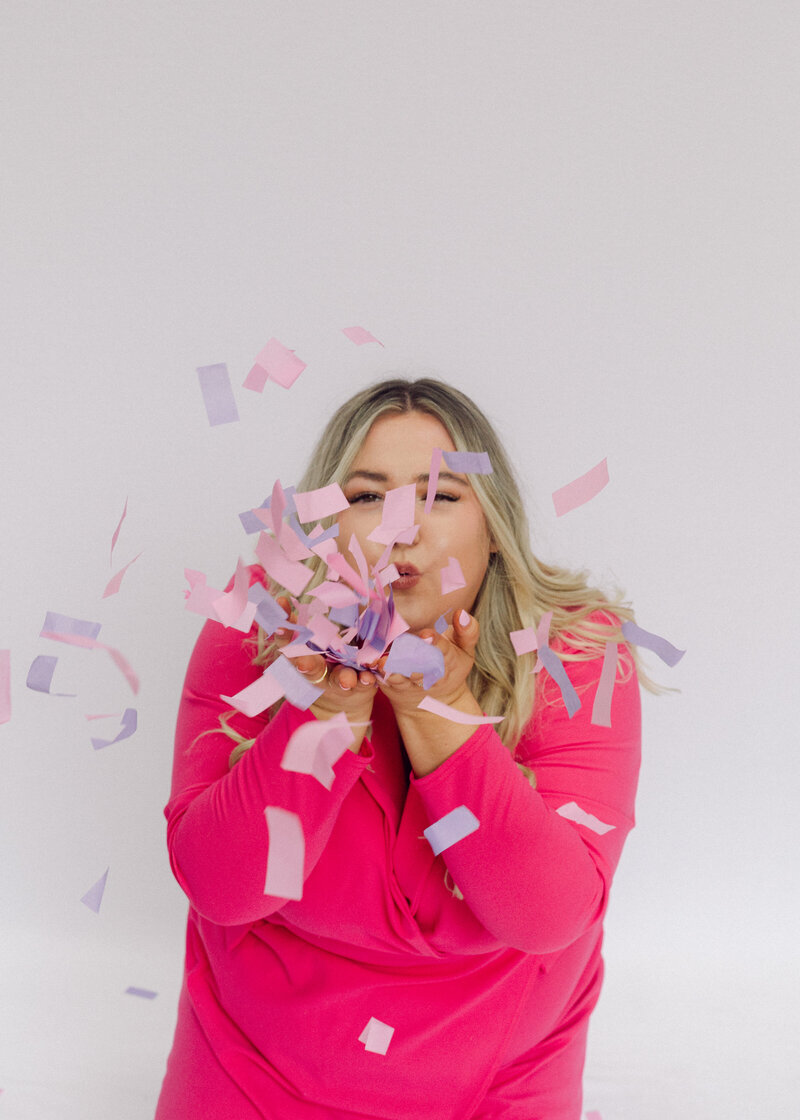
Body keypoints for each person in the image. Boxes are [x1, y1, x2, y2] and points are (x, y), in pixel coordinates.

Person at [155, 377, 646, 1120]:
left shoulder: (576, 655)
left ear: (495, 526)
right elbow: (223, 889)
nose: (397, 528)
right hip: (252, 1065)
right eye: (363, 495)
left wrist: (439, 713)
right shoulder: (250, 627)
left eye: (441, 497)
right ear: (321, 525)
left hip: (498, 1076)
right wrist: (326, 713)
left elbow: (547, 915)